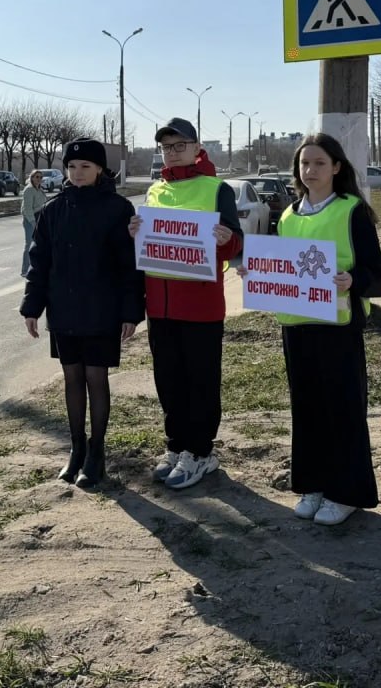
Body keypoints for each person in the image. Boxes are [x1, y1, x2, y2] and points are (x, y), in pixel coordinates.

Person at [237, 134, 381, 525]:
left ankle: (347, 492)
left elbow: (377, 272)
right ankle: (313, 484)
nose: (311, 171)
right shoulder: (288, 215)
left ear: (337, 167)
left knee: (343, 408)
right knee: (307, 408)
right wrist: (255, 271)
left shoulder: (352, 210)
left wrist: (351, 280)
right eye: (305, 164)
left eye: (319, 163)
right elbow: (283, 265)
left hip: (337, 327)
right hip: (296, 325)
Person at [21, 139, 144, 490]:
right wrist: (32, 307)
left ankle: (97, 453)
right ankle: (76, 449)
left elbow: (128, 267)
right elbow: (39, 263)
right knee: (71, 378)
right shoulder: (52, 211)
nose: (77, 174)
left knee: (95, 378)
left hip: (101, 312)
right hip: (64, 311)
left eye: (85, 167)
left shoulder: (118, 210)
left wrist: (130, 312)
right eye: (71, 167)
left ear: (100, 170)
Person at [128, 117, 242, 491]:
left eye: (179, 146)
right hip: (159, 305)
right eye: (166, 147)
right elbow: (148, 243)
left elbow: (234, 243)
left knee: (201, 381)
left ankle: (201, 452)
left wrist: (226, 238)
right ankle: (176, 446)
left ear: (196, 148)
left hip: (200, 305)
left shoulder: (216, 189)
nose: (172, 152)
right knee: (168, 380)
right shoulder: (156, 191)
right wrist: (136, 233)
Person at [20, 169, 46, 276]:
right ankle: (25, 270)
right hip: (30, 219)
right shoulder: (29, 190)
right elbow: (27, 209)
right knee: (29, 244)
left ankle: (36, 268)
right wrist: (33, 222)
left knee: (39, 244)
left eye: (40, 177)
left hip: (40, 218)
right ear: (31, 177)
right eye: (36, 177)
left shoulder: (39, 189)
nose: (39, 179)